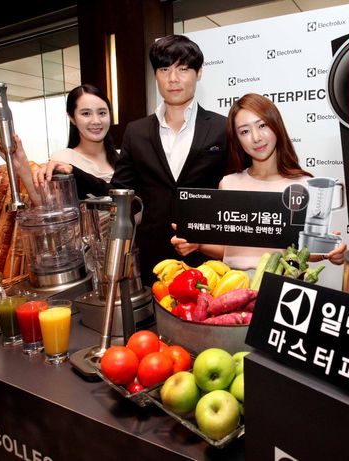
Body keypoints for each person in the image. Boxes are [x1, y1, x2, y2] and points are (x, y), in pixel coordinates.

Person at [35, 35, 228, 286]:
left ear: (199, 73)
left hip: (207, 260)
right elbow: (118, 194)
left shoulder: (222, 128)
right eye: (164, 69)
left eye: (183, 69)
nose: (173, 78)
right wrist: (73, 171)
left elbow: (235, 191)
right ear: (155, 74)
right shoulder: (136, 132)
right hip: (153, 261)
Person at [171, 93, 347, 269]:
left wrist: (327, 252)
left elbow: (305, 251)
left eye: (262, 125)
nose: (256, 138)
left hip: (281, 284)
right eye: (245, 131)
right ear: (237, 139)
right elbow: (230, 250)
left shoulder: (303, 185)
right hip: (236, 283)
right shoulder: (229, 183)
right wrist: (198, 244)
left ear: (276, 125)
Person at [0, 83, 118, 205]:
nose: (96, 121)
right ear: (72, 118)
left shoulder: (122, 157)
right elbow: (49, 206)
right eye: (86, 113)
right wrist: (21, 166)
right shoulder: (63, 159)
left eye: (102, 113)